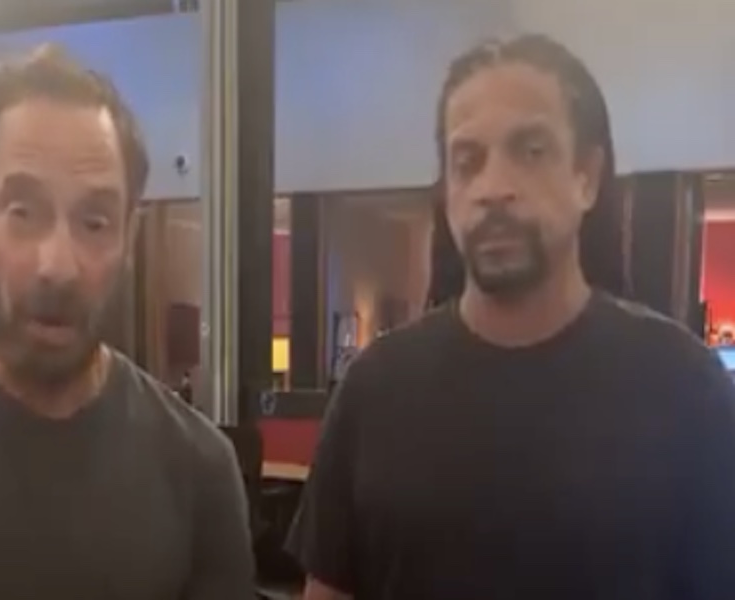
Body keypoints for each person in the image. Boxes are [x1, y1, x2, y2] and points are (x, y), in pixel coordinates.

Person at [288, 34, 735, 599]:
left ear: (587, 176)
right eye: (467, 162)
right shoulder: (375, 390)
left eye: (530, 151)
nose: (493, 188)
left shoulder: (683, 388)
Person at [0, 45, 254, 599]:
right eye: (23, 212)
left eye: (94, 221)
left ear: (128, 236)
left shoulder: (200, 473)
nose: (58, 265)